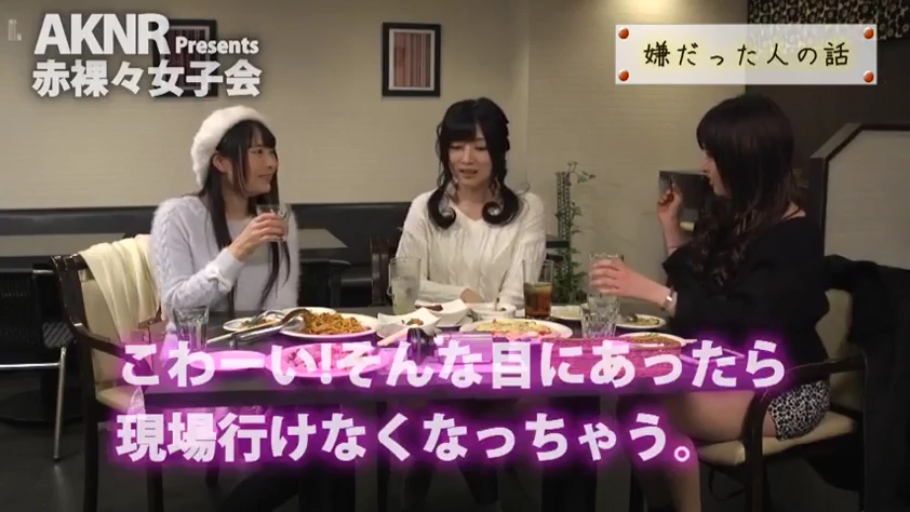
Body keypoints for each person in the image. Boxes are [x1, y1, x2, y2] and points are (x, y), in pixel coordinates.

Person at [589, 94, 831, 512]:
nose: (705, 165)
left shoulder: (795, 235)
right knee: (634, 402)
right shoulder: (733, 215)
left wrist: (653, 292)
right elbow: (698, 299)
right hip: (727, 372)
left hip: (789, 386)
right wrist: (671, 230)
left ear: (744, 160)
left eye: (712, 155)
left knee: (654, 409)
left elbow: (743, 319)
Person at [150, 106, 350, 512]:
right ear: (220, 161)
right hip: (196, 365)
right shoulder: (178, 216)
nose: (270, 163)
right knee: (321, 447)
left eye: (271, 151)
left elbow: (282, 306)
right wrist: (237, 251)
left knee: (331, 429)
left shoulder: (279, 217)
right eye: (257, 152)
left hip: (263, 362)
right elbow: (176, 307)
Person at [389, 97, 547, 512]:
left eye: (479, 147)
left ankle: (419, 497)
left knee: (446, 398)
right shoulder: (424, 208)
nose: (466, 159)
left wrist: (455, 306)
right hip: (431, 346)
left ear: (499, 151)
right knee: (441, 392)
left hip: (499, 349)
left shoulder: (527, 210)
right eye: (457, 147)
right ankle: (488, 500)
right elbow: (404, 287)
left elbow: (515, 301)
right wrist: (462, 296)